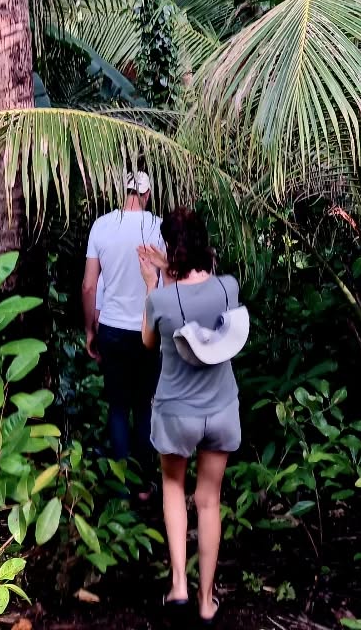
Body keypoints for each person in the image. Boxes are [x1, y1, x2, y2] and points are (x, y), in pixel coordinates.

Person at [139, 208, 240, 624]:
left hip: (176, 413)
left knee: (174, 488)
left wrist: (155, 280)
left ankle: (179, 587)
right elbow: (206, 280)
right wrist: (175, 264)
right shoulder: (229, 288)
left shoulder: (162, 299)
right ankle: (206, 602)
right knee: (209, 501)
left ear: (170, 248)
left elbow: (147, 342)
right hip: (220, 410)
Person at [81, 171, 165, 480]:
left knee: (118, 407)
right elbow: (166, 282)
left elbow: (89, 287)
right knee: (143, 406)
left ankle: (120, 487)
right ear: (147, 194)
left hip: (112, 330)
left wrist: (91, 330)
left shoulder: (102, 226)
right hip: (146, 330)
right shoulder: (156, 227)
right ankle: (143, 484)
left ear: (123, 191)